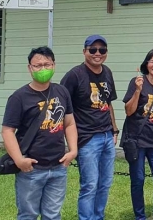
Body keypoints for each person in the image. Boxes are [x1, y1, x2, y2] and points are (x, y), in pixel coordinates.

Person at [1, 46, 78, 220]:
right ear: (30, 68)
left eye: (47, 64)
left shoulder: (62, 92)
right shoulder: (19, 97)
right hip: (31, 169)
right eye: (38, 65)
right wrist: (19, 160)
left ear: (53, 65)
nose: (43, 69)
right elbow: (7, 131)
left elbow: (69, 123)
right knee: (28, 214)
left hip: (58, 166)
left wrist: (73, 150)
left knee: (53, 215)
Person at [60, 35, 118, 220]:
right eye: (92, 50)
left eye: (102, 50)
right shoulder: (74, 75)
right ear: (84, 51)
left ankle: (98, 216)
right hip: (87, 138)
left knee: (105, 183)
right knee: (90, 185)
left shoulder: (107, 72)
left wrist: (114, 129)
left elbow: (108, 104)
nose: (97, 53)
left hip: (107, 136)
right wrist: (70, 141)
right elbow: (62, 108)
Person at [123, 49, 153, 220]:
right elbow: (129, 111)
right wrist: (137, 90)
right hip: (136, 140)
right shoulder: (137, 82)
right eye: (152, 61)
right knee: (138, 180)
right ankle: (140, 217)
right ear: (146, 64)